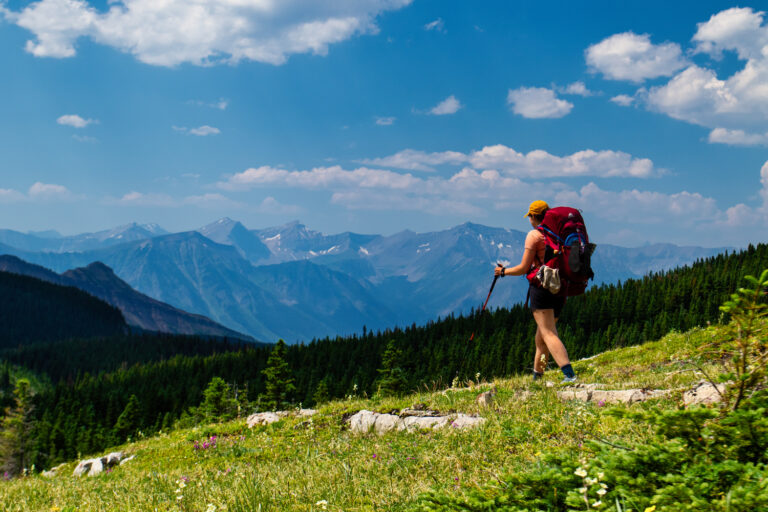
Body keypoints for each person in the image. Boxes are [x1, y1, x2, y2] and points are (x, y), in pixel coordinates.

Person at [494, 200, 577, 383]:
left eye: (530, 216)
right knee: (540, 338)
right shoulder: (557, 235)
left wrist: (503, 272)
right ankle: (537, 379)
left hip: (542, 289)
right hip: (560, 287)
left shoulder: (535, 235)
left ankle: (569, 375)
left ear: (533, 216)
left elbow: (524, 268)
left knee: (548, 333)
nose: (529, 220)